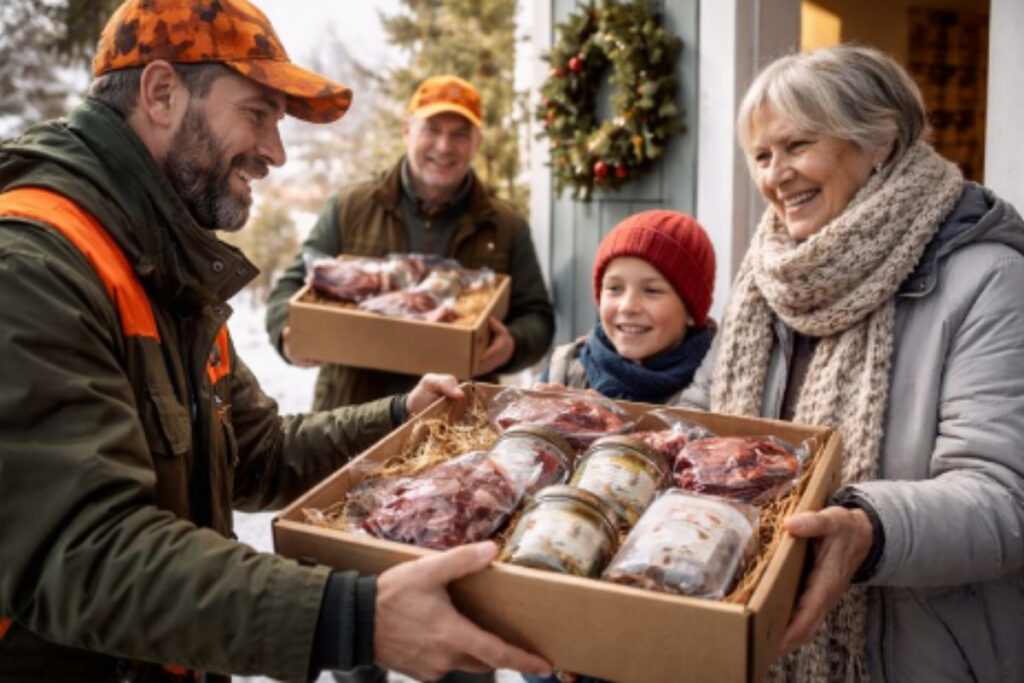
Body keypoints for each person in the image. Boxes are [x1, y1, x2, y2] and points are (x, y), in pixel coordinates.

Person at [0, 1, 552, 682]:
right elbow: (81, 550)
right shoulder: (33, 267)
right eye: (257, 114)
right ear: (162, 93)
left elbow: (256, 454)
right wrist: (348, 616)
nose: (276, 152)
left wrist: (397, 419)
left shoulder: (166, 267)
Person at [675, 44, 1024, 681]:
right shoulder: (769, 277)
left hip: (917, 656)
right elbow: (703, 420)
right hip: (751, 643)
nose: (775, 175)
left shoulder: (992, 280)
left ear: (881, 141)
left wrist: (870, 527)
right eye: (761, 155)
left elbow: (1004, 498)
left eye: (797, 145)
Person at [265, 74, 555, 410]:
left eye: (460, 134)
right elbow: (289, 288)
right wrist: (288, 334)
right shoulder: (351, 207)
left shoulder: (506, 225)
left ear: (477, 143)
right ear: (407, 130)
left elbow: (538, 317)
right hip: (352, 417)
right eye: (432, 129)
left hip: (458, 422)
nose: (444, 146)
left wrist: (513, 345)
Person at [541, 209, 715, 403]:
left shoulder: (716, 385)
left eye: (652, 291)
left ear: (691, 311)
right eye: (615, 288)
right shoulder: (565, 371)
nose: (628, 307)